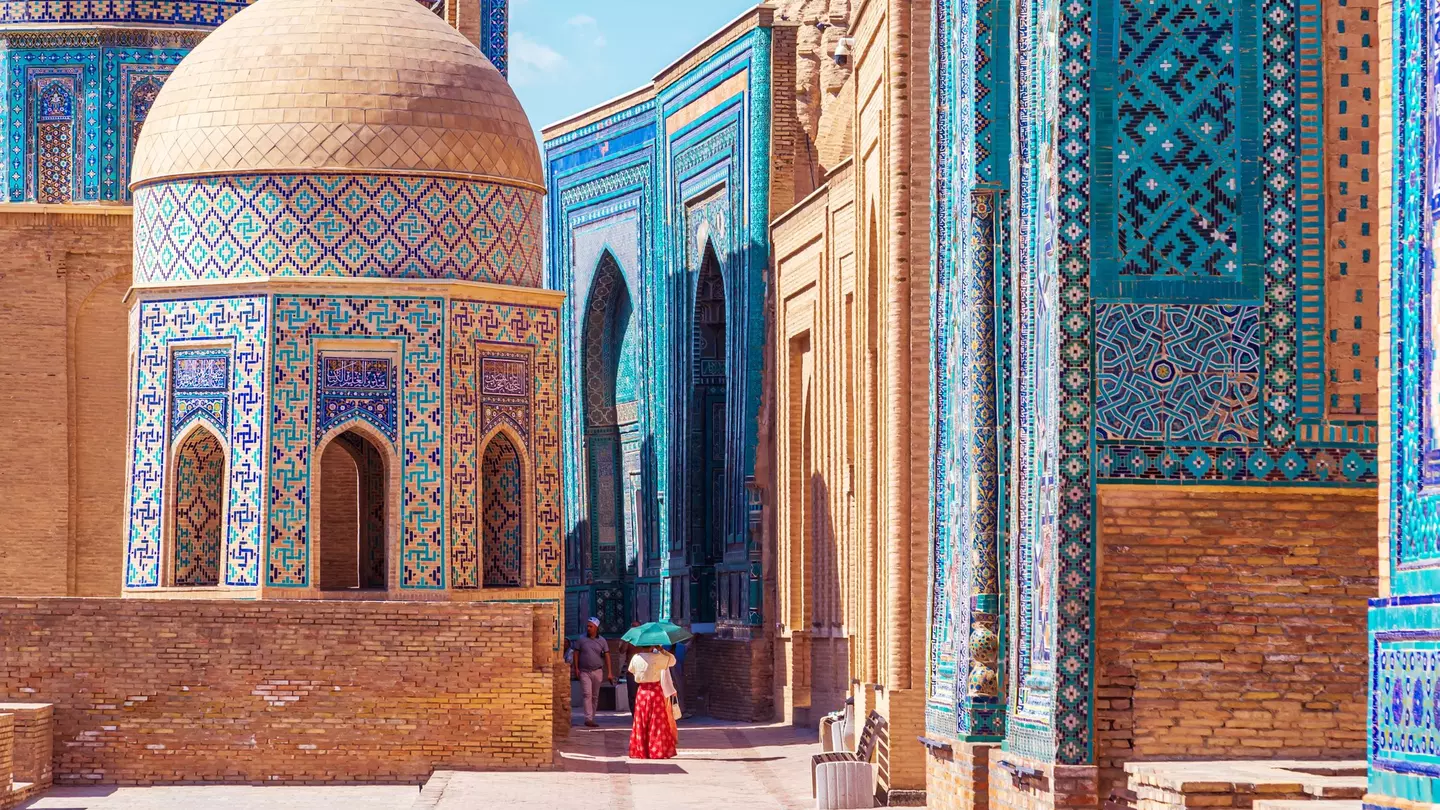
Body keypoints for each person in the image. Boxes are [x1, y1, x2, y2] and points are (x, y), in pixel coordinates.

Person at [626, 645, 678, 759]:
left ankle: (641, 750)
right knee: (657, 721)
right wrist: (661, 649)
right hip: (655, 692)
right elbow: (673, 661)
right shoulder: (658, 657)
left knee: (641, 720)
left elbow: (631, 670)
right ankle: (656, 750)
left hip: (642, 692)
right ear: (652, 645)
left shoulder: (636, 657)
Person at [571, 617, 612, 728]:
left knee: (594, 696)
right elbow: (576, 653)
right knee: (587, 694)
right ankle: (588, 718)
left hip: (597, 671)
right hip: (584, 671)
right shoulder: (581, 639)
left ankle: (592, 717)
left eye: (591, 626)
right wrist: (576, 668)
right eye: (587, 626)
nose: (588, 628)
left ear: (596, 628)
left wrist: (610, 672)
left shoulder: (602, 641)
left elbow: (607, 655)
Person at [618, 621, 641, 714]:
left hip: (643, 670)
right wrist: (627, 640)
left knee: (642, 694)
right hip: (631, 670)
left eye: (637, 627)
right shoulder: (627, 639)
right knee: (632, 694)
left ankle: (642, 713)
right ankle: (634, 714)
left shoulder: (644, 639)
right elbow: (622, 650)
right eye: (633, 627)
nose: (635, 629)